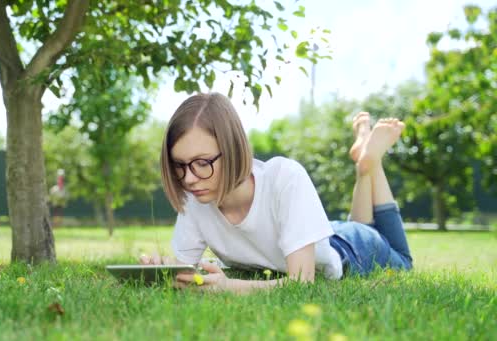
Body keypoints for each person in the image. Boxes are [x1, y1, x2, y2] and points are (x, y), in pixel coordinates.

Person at [140, 93, 412, 294]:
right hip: (314, 236)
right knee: (357, 222)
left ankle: (371, 163)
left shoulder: (285, 178)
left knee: (403, 261)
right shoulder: (197, 197)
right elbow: (184, 270)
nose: (188, 179)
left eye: (202, 163)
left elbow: (301, 283)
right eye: (180, 165)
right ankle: (364, 165)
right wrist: (162, 269)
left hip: (352, 247)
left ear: (233, 148)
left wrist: (228, 287)